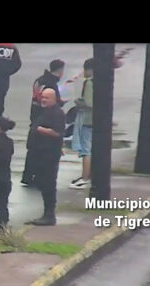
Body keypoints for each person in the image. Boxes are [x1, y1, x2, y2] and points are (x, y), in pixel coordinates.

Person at [22, 59, 66, 186]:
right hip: (42, 124)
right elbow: (58, 132)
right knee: (39, 153)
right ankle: (36, 178)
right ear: (60, 70)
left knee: (34, 153)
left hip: (35, 118)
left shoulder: (40, 80)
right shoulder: (50, 84)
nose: (44, 99)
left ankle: (30, 176)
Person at [26, 88, 65, 226]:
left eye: (47, 98)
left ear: (54, 99)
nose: (43, 100)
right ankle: (46, 213)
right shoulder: (44, 111)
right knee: (41, 181)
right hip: (40, 153)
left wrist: (41, 130)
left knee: (48, 183)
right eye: (42, 97)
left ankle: (49, 215)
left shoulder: (57, 113)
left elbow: (58, 133)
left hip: (48, 155)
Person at [69, 58, 93, 190]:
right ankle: (87, 175)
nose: (83, 72)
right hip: (97, 119)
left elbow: (89, 103)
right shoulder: (100, 81)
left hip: (87, 119)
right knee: (91, 148)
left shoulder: (89, 83)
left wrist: (78, 102)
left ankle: (85, 177)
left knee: (86, 149)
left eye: (85, 69)